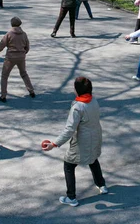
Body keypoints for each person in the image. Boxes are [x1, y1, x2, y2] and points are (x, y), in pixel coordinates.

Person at [42, 77, 108, 207]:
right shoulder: (94, 101)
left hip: (82, 141)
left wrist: (54, 144)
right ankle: (101, 185)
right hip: (96, 137)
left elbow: (69, 130)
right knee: (93, 159)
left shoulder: (77, 107)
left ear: (77, 90)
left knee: (69, 165)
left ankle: (71, 197)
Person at [0, 17, 35, 103]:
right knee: (24, 74)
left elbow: (1, 45)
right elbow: (27, 46)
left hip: (10, 57)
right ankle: (31, 91)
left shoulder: (9, 34)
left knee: (4, 76)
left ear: (12, 24)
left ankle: (3, 96)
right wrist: (23, 53)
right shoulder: (24, 34)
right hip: (21, 57)